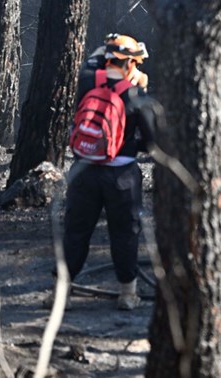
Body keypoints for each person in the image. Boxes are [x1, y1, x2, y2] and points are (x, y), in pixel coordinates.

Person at [53, 33, 150, 310]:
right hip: (121, 177)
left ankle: (60, 295)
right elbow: (154, 141)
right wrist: (130, 141)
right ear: (129, 63)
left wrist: (110, 46)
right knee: (124, 234)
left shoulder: (86, 82)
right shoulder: (135, 94)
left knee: (75, 232)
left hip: (83, 172)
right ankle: (127, 295)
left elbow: (93, 61)